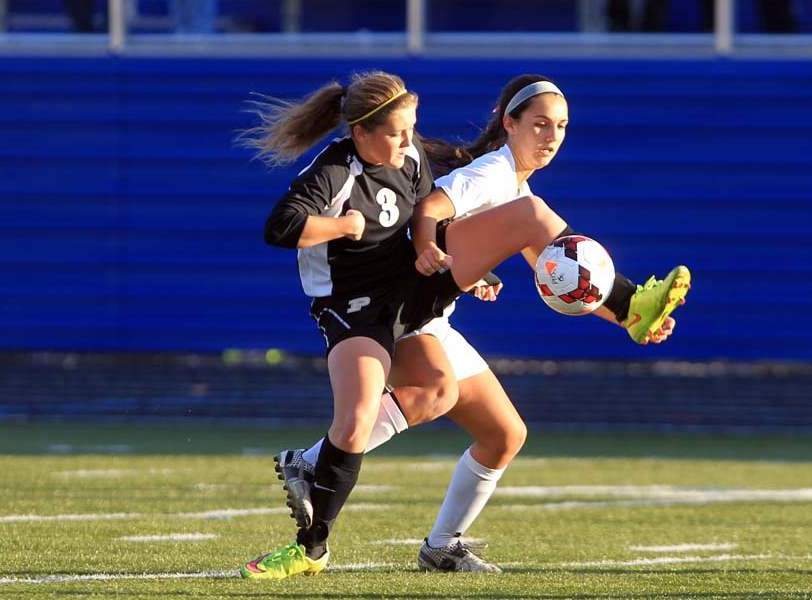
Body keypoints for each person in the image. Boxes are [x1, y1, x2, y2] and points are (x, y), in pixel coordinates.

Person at [272, 74, 691, 573]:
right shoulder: (494, 172)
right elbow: (432, 209)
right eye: (538, 125)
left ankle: (439, 545)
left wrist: (619, 325)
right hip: (407, 288)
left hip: (431, 315)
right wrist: (625, 309)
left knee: (503, 434)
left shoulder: (511, 181)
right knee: (534, 217)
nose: (551, 136)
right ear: (508, 124)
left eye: (560, 126)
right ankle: (633, 299)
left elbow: (556, 272)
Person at [236, 71, 474, 580]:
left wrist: (452, 260)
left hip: (403, 295)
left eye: (412, 127)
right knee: (357, 415)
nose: (410, 141)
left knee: (437, 389)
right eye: (397, 131)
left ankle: (308, 463)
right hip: (352, 305)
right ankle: (311, 548)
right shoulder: (334, 170)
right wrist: (344, 225)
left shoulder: (408, 160)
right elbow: (280, 227)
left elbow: (422, 220)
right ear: (362, 132)